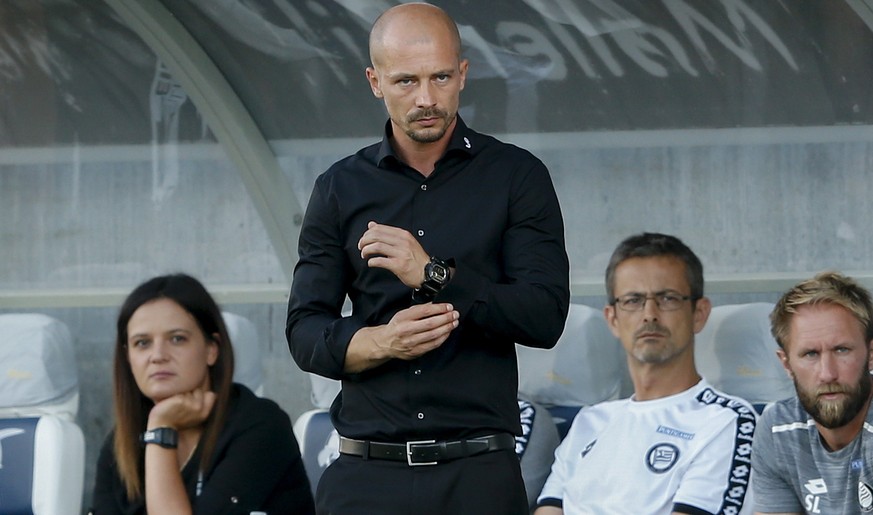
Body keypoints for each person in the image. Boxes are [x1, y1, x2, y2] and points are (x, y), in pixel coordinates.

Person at [285, 3, 570, 514]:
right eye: (405, 81)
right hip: (365, 474)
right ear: (375, 82)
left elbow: (544, 316)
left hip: (478, 474)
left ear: (463, 74)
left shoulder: (515, 176)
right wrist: (379, 342)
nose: (426, 98)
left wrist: (434, 275)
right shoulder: (338, 189)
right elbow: (304, 330)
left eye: (440, 77)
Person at [535, 232, 756, 514]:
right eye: (633, 300)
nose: (649, 314)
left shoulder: (728, 421)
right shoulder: (589, 422)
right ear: (612, 319)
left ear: (698, 313)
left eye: (667, 298)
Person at [91, 273, 314, 514]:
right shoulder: (121, 443)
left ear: (211, 349)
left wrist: (161, 431)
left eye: (177, 339)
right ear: (127, 357)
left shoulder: (261, 425)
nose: (157, 355)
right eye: (142, 343)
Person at [751, 271, 873, 514]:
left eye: (841, 350)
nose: (827, 374)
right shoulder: (778, 429)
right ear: (786, 364)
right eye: (810, 354)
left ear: (871, 355)